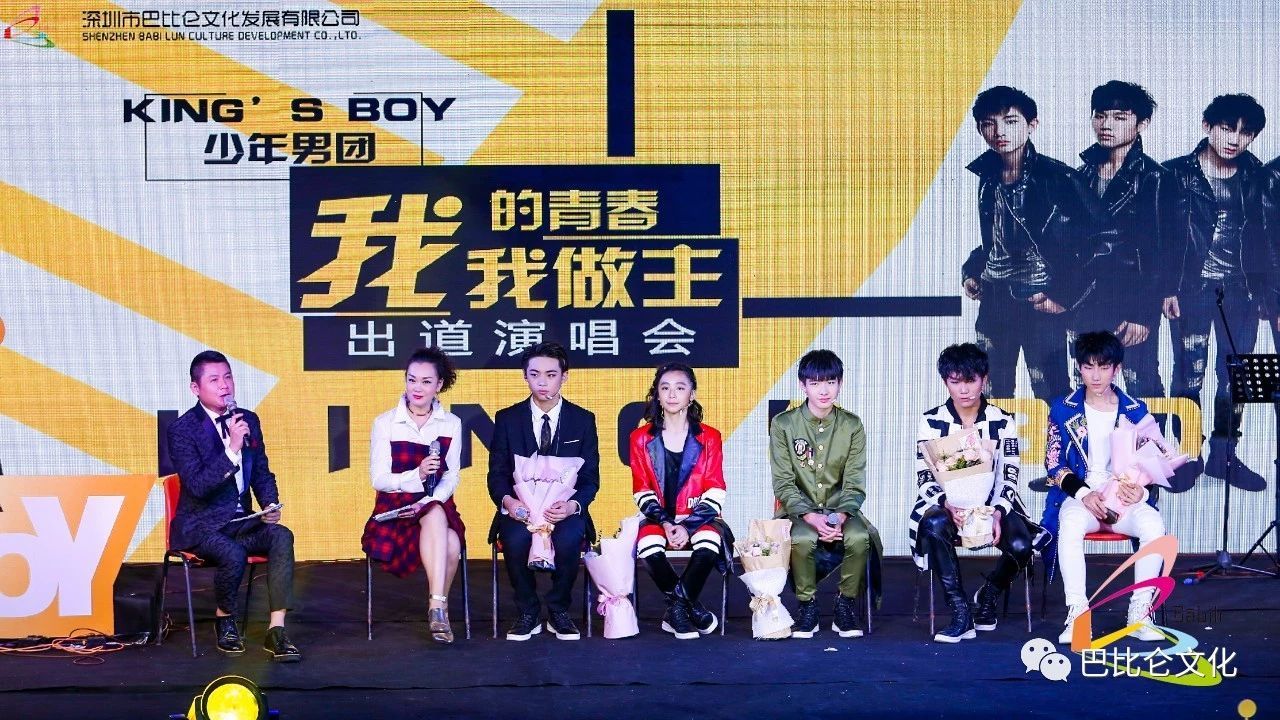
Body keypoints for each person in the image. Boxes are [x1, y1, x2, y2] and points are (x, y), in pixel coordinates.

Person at [961, 85, 1117, 400]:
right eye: (989, 124)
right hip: (995, 301)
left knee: (1051, 393)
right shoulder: (988, 179)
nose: (999, 132)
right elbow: (1000, 239)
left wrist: (1065, 295)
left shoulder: (1058, 178)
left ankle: (1061, 437)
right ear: (979, 129)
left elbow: (1105, 240)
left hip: (1040, 301)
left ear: (1032, 124)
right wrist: (972, 272)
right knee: (989, 394)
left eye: (1010, 122)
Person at [1165, 94, 1280, 491]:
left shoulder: (1259, 178)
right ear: (1207, 126)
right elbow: (1161, 238)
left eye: (1245, 133)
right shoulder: (1175, 174)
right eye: (1227, 128)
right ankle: (1186, 455)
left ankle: (1224, 456)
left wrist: (1266, 294)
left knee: (1238, 376)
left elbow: (1267, 240)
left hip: (1241, 291)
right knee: (1189, 372)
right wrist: (1166, 288)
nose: (1235, 139)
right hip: (1191, 289)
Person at [167, 350, 299, 661]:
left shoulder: (247, 420)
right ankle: (225, 620)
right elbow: (197, 486)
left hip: (242, 522)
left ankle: (276, 629)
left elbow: (261, 471)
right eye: (214, 380)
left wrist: (269, 503)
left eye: (228, 377)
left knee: (282, 536)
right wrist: (231, 449)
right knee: (232, 552)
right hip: (202, 526)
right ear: (195, 388)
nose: (224, 385)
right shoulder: (182, 430)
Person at [910, 344, 1047, 643]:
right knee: (934, 525)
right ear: (945, 382)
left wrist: (997, 512)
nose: (964, 390)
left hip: (993, 503)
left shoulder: (1002, 420)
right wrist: (946, 504)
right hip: (945, 505)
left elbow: (1009, 474)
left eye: (970, 380)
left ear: (984, 379)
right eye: (955, 381)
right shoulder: (931, 421)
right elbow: (924, 475)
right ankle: (961, 612)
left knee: (1021, 544)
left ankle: (989, 592)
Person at [1041, 331, 1167, 644]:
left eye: (1104, 367)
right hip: (1082, 496)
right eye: (1088, 367)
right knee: (1069, 523)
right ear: (1079, 368)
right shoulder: (1063, 409)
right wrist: (1084, 494)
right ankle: (1078, 615)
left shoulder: (1135, 410)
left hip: (1124, 498)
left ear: (1117, 368)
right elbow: (1054, 463)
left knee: (1154, 524)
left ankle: (1140, 612)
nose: (1095, 376)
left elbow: (1156, 460)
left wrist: (1141, 491)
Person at [1073, 82, 1183, 413]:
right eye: (1100, 116)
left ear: (1142, 124)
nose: (1106, 125)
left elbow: (1162, 252)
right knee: (1087, 385)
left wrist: (1142, 314)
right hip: (1085, 299)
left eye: (1120, 117)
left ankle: (1157, 446)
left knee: (1141, 381)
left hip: (1131, 298)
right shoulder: (1080, 174)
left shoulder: (1156, 178)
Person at [486, 342, 600, 641]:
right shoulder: (507, 419)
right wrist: (508, 502)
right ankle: (528, 611)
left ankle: (559, 610)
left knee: (569, 538)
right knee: (515, 539)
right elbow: (496, 473)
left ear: (564, 376)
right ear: (525, 376)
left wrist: (573, 506)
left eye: (551, 375)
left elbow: (590, 478)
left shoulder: (582, 420)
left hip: (563, 510)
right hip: (521, 509)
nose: (542, 382)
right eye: (535, 374)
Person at [770, 349, 881, 638]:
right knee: (802, 538)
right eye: (816, 382)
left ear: (840, 384)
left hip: (841, 510)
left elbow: (855, 481)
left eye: (831, 382)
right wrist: (809, 516)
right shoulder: (783, 424)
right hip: (798, 512)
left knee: (859, 537)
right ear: (802, 385)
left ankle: (845, 604)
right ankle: (807, 606)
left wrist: (839, 516)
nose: (824, 390)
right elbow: (783, 483)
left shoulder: (852, 425)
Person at [361, 347, 466, 644]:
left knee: (443, 526)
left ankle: (436, 606)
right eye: (411, 380)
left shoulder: (451, 423)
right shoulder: (385, 423)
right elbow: (380, 479)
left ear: (439, 385)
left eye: (426, 381)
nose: (417, 388)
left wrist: (430, 498)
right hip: (395, 507)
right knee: (446, 535)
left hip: (435, 502)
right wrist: (416, 476)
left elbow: (451, 476)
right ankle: (439, 607)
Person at [629, 362, 731, 639]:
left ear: (692, 394)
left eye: (680, 388)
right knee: (648, 544)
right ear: (657, 395)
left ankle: (676, 610)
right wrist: (665, 522)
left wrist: (687, 526)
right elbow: (641, 489)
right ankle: (690, 609)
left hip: (698, 517)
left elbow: (716, 488)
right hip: (658, 518)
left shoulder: (710, 437)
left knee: (709, 541)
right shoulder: (640, 438)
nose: (672, 394)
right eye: (665, 388)